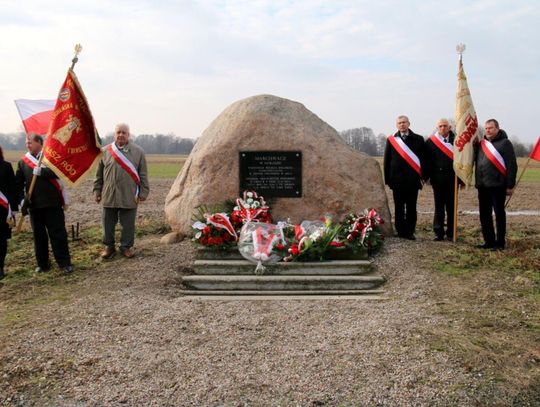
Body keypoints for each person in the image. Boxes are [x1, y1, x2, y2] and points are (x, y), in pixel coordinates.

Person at [15, 134, 73, 273]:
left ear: (40, 143)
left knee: (58, 234)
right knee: (39, 237)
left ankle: (64, 263)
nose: (27, 145)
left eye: (30, 142)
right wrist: (23, 200)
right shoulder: (23, 162)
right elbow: (18, 184)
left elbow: (61, 172)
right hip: (34, 206)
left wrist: (43, 172)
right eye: (26, 143)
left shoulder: (51, 157)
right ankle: (43, 264)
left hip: (52, 203)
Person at [93, 123, 149, 259]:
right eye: (118, 132)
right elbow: (98, 175)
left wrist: (143, 192)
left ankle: (126, 247)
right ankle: (109, 247)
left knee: (128, 224)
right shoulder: (105, 151)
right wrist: (97, 191)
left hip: (129, 194)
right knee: (107, 222)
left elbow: (143, 174)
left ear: (128, 135)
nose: (121, 135)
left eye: (124, 132)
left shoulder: (138, 152)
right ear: (114, 134)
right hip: (109, 194)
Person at [474, 119, 517, 250]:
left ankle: (500, 243)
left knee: (499, 215)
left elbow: (511, 165)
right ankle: (489, 241)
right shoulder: (482, 144)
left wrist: (510, 185)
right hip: (483, 185)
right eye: (486, 128)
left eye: (491, 128)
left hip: (498, 185)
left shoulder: (505, 143)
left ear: (497, 128)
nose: (488, 130)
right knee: (484, 215)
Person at [384, 115, 425, 240]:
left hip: (413, 180)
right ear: (397, 125)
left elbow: (424, 159)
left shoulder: (418, 139)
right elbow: (387, 160)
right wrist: (388, 180)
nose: (402, 124)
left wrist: (423, 177)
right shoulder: (391, 140)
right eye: (399, 123)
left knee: (411, 207)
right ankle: (400, 231)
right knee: (399, 207)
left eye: (404, 122)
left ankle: (410, 232)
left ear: (409, 124)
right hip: (397, 181)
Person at [424, 118, 460, 241]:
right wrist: (426, 177)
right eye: (440, 126)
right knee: (439, 207)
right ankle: (438, 232)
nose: (443, 128)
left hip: (452, 179)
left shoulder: (458, 141)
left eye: (445, 126)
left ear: (450, 127)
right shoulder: (431, 142)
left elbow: (463, 161)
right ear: (437, 128)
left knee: (451, 207)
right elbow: (426, 161)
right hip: (437, 180)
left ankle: (451, 232)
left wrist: (462, 179)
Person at [0, 145, 18, 279]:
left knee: (1, 240)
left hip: (3, 211)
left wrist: (13, 211)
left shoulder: (6, 166)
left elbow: (13, 188)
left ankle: (0, 267)